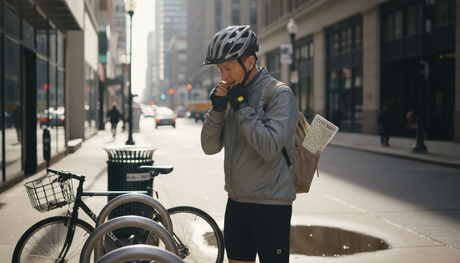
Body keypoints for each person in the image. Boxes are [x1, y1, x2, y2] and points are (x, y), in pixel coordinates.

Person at [200, 25, 298, 263]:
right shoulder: (233, 93)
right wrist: (217, 110)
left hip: (270, 205)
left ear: (250, 62)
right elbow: (209, 147)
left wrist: (242, 107)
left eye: (228, 68)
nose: (223, 76)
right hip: (236, 203)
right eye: (220, 69)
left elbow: (269, 148)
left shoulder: (279, 95)